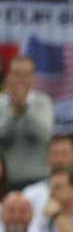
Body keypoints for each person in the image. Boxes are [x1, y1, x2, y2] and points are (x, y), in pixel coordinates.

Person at [0, 56, 54, 188]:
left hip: (38, 179)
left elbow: (44, 134)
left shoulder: (43, 102)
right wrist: (14, 113)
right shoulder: (1, 103)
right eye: (17, 73)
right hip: (5, 181)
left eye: (27, 74)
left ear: (34, 78)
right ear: (8, 76)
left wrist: (24, 108)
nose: (21, 79)